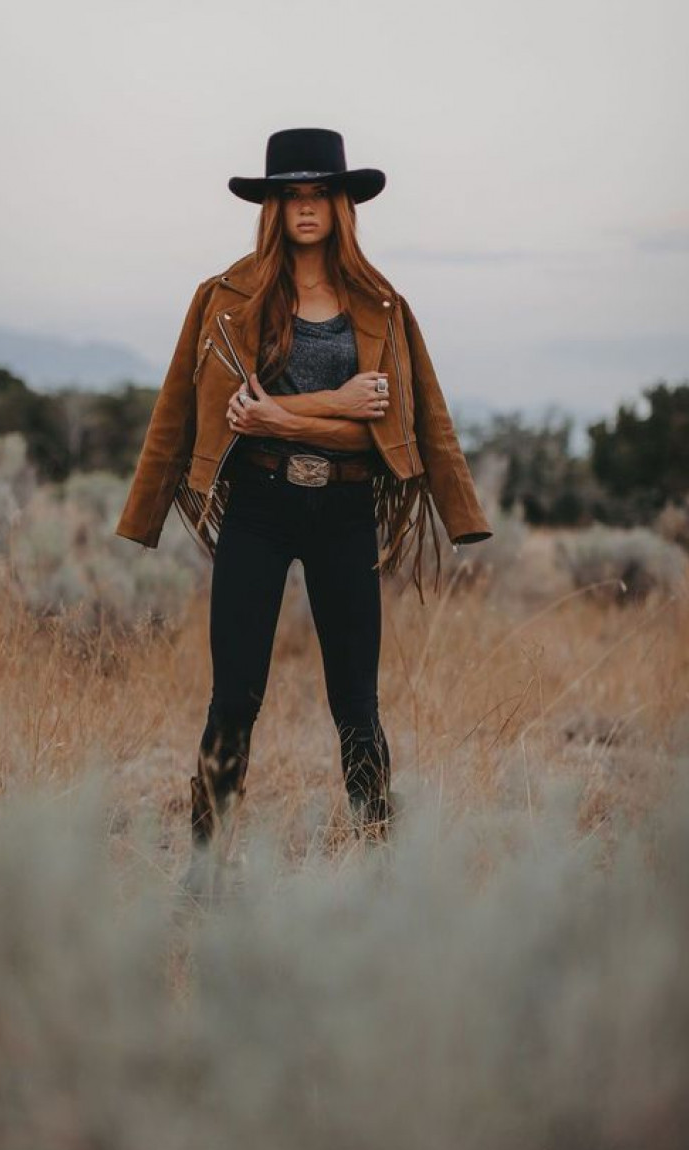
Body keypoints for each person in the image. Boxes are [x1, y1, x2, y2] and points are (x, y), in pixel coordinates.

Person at [115, 128, 493, 894]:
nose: (308, 207)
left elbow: (395, 422)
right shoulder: (224, 298)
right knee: (235, 696)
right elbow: (185, 410)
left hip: (346, 509)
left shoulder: (380, 304)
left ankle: (381, 864)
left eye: (321, 193)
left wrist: (285, 417)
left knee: (356, 701)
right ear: (273, 207)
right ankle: (204, 868)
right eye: (293, 194)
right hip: (256, 505)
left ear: (342, 205)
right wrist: (147, 510)